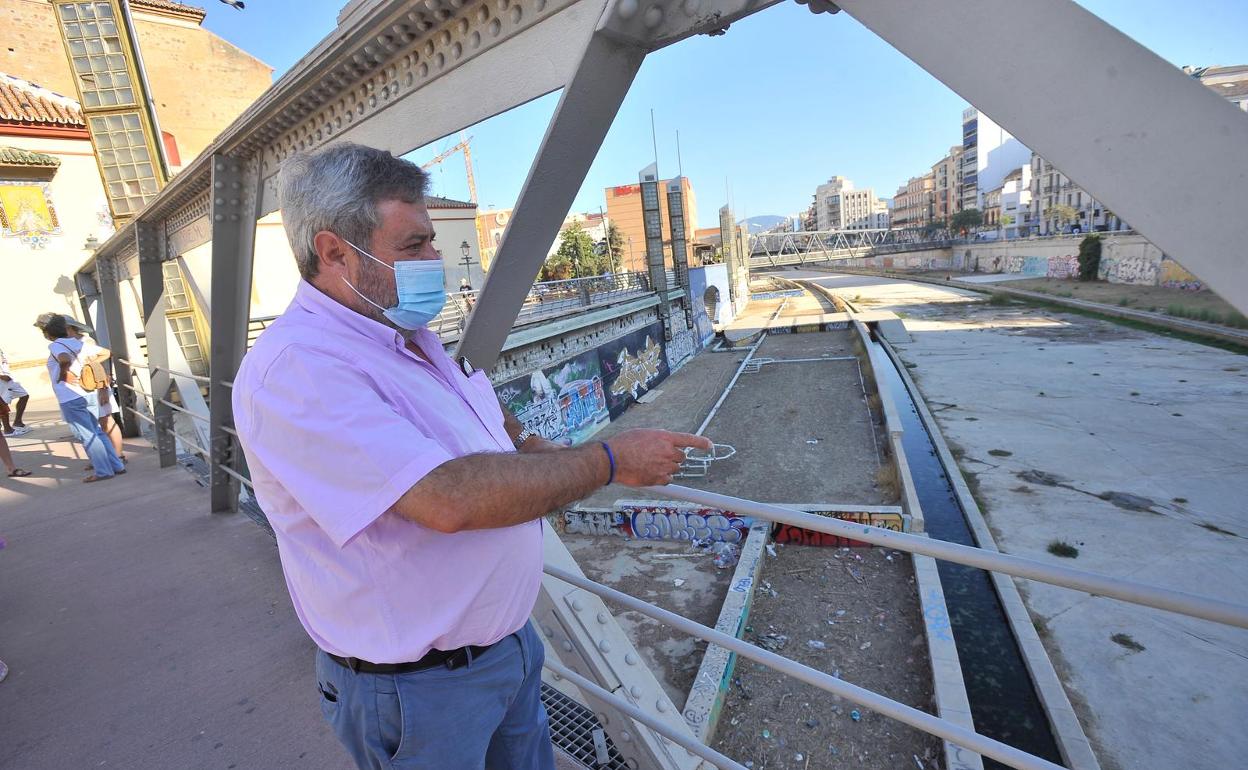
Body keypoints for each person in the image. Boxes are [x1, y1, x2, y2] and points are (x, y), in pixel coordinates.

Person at [232, 143, 710, 770]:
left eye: (432, 241)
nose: (437, 259)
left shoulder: (405, 336)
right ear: (333, 253)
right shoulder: (301, 371)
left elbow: (478, 414)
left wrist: (532, 447)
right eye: (413, 246)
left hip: (507, 651)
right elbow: (448, 498)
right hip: (418, 690)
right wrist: (608, 461)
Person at [39, 315, 125, 483]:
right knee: (97, 431)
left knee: (87, 435)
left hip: (71, 396)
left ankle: (103, 471)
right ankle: (117, 465)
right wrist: (87, 364)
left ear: (49, 333)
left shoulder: (56, 345)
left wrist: (64, 374)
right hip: (88, 392)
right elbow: (106, 353)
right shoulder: (79, 343)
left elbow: (63, 358)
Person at [62, 317, 126, 464]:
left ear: (70, 328)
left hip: (95, 386)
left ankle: (118, 455)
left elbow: (100, 365)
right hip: (82, 389)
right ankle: (102, 458)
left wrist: (102, 387)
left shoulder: (85, 342)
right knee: (92, 425)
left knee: (106, 421)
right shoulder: (69, 343)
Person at [0, 348, 31, 437]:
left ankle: (18, 422)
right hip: (2, 379)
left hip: (8, 377)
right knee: (3, 404)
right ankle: (8, 430)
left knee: (24, 395)